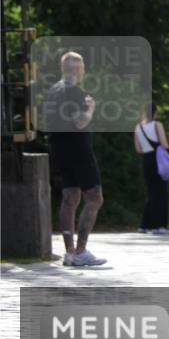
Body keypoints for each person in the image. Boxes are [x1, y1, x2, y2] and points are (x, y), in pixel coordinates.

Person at [44, 51, 107, 266]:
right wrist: (90, 109)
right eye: (81, 68)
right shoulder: (75, 92)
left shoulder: (53, 91)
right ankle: (80, 251)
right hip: (80, 151)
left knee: (70, 198)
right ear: (78, 70)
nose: (83, 71)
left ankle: (69, 252)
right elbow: (80, 122)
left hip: (60, 151)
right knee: (94, 198)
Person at [134, 102, 169, 235]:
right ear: (155, 112)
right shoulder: (157, 125)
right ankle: (159, 225)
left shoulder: (138, 127)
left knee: (151, 193)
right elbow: (164, 144)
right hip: (159, 160)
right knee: (161, 192)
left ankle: (144, 225)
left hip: (146, 160)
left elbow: (138, 149)